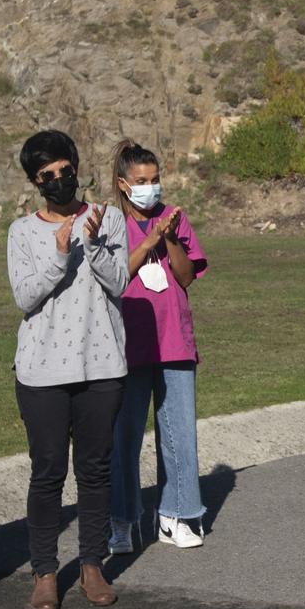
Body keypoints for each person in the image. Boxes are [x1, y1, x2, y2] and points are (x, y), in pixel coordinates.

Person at [7, 130, 129, 609]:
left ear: (76, 168)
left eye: (65, 170)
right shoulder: (22, 231)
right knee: (48, 472)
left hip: (101, 366)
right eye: (46, 176)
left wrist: (94, 245)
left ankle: (92, 565)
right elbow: (24, 296)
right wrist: (60, 254)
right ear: (35, 182)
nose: (59, 180)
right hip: (42, 372)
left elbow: (120, 281)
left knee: (95, 471)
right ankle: (43, 572)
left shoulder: (109, 218)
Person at [107, 141, 208, 555]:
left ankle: (176, 515)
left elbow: (184, 277)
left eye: (156, 180)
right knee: (124, 437)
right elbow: (114, 277)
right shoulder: (111, 224)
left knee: (179, 435)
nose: (151, 187)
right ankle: (122, 521)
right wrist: (147, 243)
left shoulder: (174, 220)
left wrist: (168, 240)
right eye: (142, 182)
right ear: (123, 184)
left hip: (174, 343)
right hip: (127, 346)